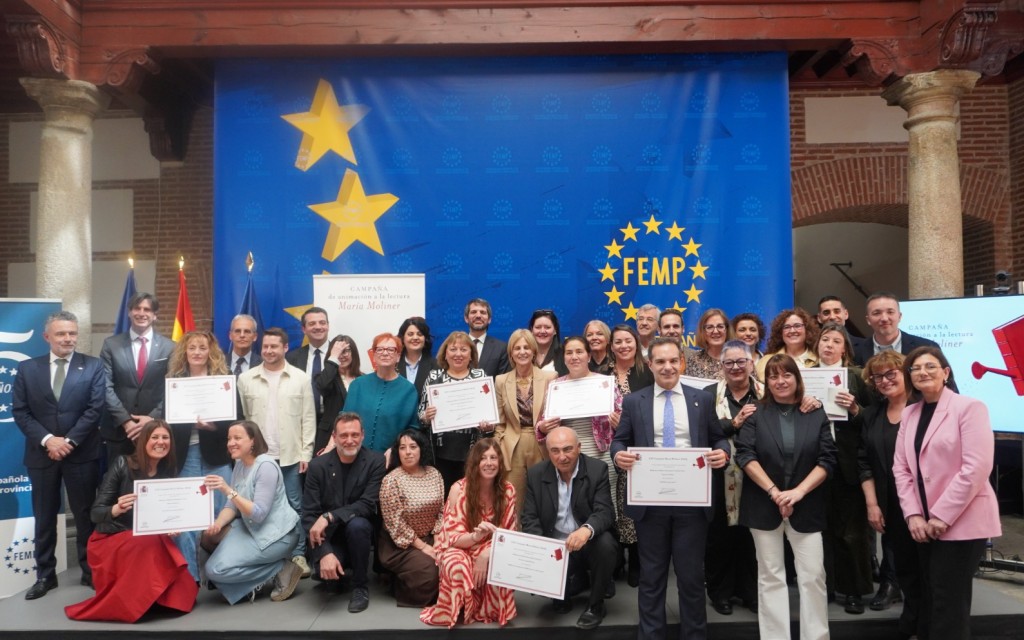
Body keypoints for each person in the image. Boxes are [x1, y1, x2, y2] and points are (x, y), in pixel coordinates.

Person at [611, 336, 730, 640]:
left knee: (691, 578)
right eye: (660, 361)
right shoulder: (634, 401)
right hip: (650, 503)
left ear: (682, 363)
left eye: (673, 360)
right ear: (649, 364)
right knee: (652, 577)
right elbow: (619, 440)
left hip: (692, 502)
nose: (667, 367)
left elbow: (718, 437)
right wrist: (618, 455)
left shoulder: (702, 399)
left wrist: (723, 452)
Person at [893, 346, 1001, 640]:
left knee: (948, 600)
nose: (923, 372)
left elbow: (976, 467)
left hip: (962, 520)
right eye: (915, 368)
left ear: (945, 372)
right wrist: (913, 515)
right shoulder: (910, 413)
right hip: (923, 524)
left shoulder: (970, 407)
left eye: (930, 366)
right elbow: (901, 469)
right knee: (928, 596)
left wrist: (941, 515)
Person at [734, 354, 836, 640]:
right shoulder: (756, 413)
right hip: (763, 504)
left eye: (786, 375)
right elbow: (745, 455)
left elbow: (828, 459)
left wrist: (798, 492)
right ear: (766, 382)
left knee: (813, 576)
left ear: (797, 378)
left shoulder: (815, 412)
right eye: (773, 376)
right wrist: (774, 492)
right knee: (770, 577)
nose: (780, 381)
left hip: (807, 505)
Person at [65, 421, 198, 622]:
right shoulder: (122, 464)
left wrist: (171, 526)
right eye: (155, 437)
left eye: (165, 438)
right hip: (111, 537)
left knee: (166, 550)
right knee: (150, 542)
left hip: (146, 537)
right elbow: (95, 513)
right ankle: (135, 603)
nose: (160, 442)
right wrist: (116, 509)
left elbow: (164, 515)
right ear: (144, 441)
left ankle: (153, 598)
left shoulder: (169, 470)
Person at [13, 310, 105, 598]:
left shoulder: (93, 366)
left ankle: (90, 572)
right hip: (42, 455)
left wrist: (69, 441)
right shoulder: (28, 369)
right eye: (61, 333)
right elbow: (21, 411)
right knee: (44, 516)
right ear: (47, 337)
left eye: (72, 333)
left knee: (85, 515)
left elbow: (95, 409)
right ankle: (45, 575)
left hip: (82, 454)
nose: (68, 338)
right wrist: (49, 440)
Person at [521, 427, 618, 629]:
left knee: (606, 544)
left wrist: (586, 529)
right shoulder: (536, 474)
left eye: (568, 449)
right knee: (559, 602)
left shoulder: (597, 469)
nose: (562, 456)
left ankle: (596, 605)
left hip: (587, 541)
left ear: (579, 447)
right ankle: (565, 586)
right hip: (557, 547)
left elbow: (605, 512)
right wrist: (541, 552)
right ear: (548, 452)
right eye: (555, 451)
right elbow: (529, 518)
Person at [237, 327, 315, 577]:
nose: (269, 350)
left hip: (291, 456)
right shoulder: (246, 379)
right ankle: (267, 556)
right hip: (259, 459)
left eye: (274, 346)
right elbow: (244, 419)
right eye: (265, 346)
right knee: (259, 508)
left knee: (295, 506)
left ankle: (298, 555)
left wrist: (306, 453)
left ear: (285, 348)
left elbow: (308, 418)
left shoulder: (300, 378)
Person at [857, 351, 922, 636]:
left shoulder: (924, 408)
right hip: (887, 498)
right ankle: (897, 594)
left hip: (924, 502)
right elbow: (863, 461)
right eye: (877, 377)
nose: (884, 381)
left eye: (890, 374)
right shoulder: (872, 414)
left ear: (905, 372)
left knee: (925, 567)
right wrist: (872, 504)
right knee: (900, 557)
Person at [420, 438, 517, 628]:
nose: (489, 463)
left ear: (500, 462)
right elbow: (453, 538)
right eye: (483, 458)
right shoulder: (458, 489)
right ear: (475, 463)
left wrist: (485, 554)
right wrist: (476, 537)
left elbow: (508, 535)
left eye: (493, 458)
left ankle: (484, 608)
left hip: (491, 546)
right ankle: (460, 608)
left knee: (499, 561)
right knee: (457, 565)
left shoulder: (508, 490)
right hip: (459, 545)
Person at [201, 420, 302, 604]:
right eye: (229, 438)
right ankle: (250, 577)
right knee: (208, 538)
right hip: (252, 529)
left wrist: (227, 489)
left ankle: (280, 569)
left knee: (215, 570)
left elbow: (259, 513)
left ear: (253, 441)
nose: (231, 443)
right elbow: (231, 506)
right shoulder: (240, 465)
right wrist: (217, 524)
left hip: (278, 536)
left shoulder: (266, 467)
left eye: (237, 438)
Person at [812, 321, 873, 614]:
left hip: (848, 462)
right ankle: (824, 587)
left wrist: (855, 409)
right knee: (819, 531)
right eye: (825, 340)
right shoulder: (805, 377)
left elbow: (874, 419)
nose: (829, 345)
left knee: (852, 531)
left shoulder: (857, 377)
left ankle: (853, 591)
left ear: (845, 349)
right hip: (814, 464)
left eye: (836, 341)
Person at [166, 330, 234, 581]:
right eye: (192, 347)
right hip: (186, 456)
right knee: (189, 516)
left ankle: (222, 574)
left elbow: (237, 422)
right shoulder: (174, 382)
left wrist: (212, 426)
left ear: (210, 351)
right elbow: (166, 421)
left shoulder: (223, 381)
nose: (197, 352)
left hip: (217, 455)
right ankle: (191, 578)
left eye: (202, 348)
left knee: (221, 515)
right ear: (184, 351)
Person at [302, 412, 387, 613]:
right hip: (329, 536)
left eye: (355, 434)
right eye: (344, 435)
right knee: (328, 578)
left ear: (362, 435)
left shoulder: (375, 461)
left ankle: (360, 586)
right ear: (334, 437)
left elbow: (367, 504)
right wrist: (324, 553)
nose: (350, 440)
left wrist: (329, 516)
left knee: (358, 525)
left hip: (358, 531)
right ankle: (334, 568)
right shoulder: (317, 466)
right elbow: (309, 515)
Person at [702, 340, 760, 616]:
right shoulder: (707, 395)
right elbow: (702, 431)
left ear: (751, 363)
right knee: (719, 538)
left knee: (752, 536)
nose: (735, 367)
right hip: (717, 477)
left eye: (741, 362)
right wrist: (733, 424)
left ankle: (751, 592)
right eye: (729, 363)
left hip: (759, 476)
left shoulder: (767, 393)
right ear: (721, 366)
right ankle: (720, 593)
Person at [537, 336, 621, 507]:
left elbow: (623, 416)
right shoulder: (556, 386)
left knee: (605, 503)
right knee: (573, 504)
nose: (574, 357)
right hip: (567, 455)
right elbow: (542, 422)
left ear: (588, 356)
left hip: (601, 452)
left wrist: (620, 423)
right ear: (564, 358)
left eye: (579, 352)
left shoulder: (604, 383)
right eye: (569, 353)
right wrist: (543, 428)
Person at [100, 292, 175, 465]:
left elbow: (172, 388)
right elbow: (105, 386)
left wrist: (151, 419)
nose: (142, 313)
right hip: (119, 431)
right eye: (137, 308)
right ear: (129, 312)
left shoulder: (170, 347)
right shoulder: (111, 345)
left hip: (156, 431)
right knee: (117, 479)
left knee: (153, 478)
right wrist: (126, 421)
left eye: (147, 309)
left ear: (155, 315)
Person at [608, 323, 653, 587]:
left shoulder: (647, 372)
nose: (624, 346)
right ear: (611, 346)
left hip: (639, 448)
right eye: (618, 342)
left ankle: (636, 560)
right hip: (607, 447)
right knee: (613, 504)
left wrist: (626, 423)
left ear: (636, 343)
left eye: (628, 341)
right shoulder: (602, 375)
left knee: (635, 505)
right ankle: (616, 561)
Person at [378, 429, 444, 607]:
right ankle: (399, 586)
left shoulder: (434, 474)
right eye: (402, 448)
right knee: (430, 572)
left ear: (421, 449)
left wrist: (438, 541)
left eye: (413, 447)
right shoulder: (391, 480)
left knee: (452, 561)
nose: (408, 452)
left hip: (432, 537)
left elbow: (441, 511)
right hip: (400, 544)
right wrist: (424, 547)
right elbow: (395, 524)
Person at [419, 330, 491, 492]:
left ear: (471, 355)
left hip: (472, 451)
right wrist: (426, 416)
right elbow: (421, 413)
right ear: (445, 354)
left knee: (470, 496)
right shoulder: (434, 377)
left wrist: (488, 425)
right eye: (453, 349)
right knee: (444, 496)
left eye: (463, 349)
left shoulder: (480, 377)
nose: (458, 354)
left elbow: (489, 414)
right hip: (440, 452)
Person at [494, 328, 556, 512]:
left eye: (527, 347)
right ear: (511, 353)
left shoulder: (550, 377)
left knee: (544, 498)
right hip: (512, 447)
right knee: (514, 502)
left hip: (542, 443)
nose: (522, 352)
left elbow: (555, 416)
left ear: (534, 351)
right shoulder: (501, 381)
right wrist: (499, 447)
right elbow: (500, 423)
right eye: (517, 348)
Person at [342, 332, 419, 454]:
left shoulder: (408, 390)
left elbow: (412, 430)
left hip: (390, 458)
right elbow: (343, 420)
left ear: (398, 356)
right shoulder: (358, 384)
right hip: (354, 454)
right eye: (380, 349)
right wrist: (330, 446)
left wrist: (394, 449)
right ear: (374, 355)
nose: (385, 353)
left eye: (391, 350)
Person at [852, 292, 942, 367]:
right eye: (877, 313)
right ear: (868, 320)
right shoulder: (855, 352)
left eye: (890, 312)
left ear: (899, 316)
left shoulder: (926, 347)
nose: (884, 318)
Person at [315, 334, 359, 454]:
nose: (342, 355)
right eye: (338, 352)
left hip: (355, 436)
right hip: (329, 436)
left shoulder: (363, 379)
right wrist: (333, 357)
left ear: (353, 353)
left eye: (346, 351)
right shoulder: (326, 378)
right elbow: (323, 385)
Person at [286, 306, 331, 426]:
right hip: (301, 422)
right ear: (304, 329)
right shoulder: (291, 358)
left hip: (333, 422)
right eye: (312, 323)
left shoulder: (340, 355)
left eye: (322, 322)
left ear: (328, 326)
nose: (318, 327)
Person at [755, 307, 818, 381]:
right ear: (780, 333)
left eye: (797, 326)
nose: (792, 331)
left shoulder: (819, 359)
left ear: (807, 330)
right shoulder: (766, 361)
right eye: (787, 327)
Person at [464, 298, 509, 377]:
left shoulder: (501, 348)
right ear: (466, 318)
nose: (478, 316)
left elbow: (503, 381)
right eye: (473, 312)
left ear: (489, 319)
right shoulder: (454, 347)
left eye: (483, 312)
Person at [396, 316, 436, 399]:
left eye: (420, 334)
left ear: (425, 339)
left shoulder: (436, 366)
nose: (415, 338)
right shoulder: (393, 365)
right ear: (403, 338)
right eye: (410, 334)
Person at [687, 308, 731, 381]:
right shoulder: (694, 360)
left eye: (720, 326)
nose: (715, 331)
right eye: (710, 327)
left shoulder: (738, 359)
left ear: (727, 329)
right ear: (703, 332)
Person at [529, 308, 568, 375]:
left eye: (547, 327)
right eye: (538, 327)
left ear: (555, 330)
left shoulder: (565, 354)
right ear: (531, 330)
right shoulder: (523, 353)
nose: (542, 331)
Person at [657, 308, 696, 373]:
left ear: (683, 329)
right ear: (659, 330)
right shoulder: (647, 360)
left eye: (676, 326)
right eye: (667, 327)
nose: (671, 331)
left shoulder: (696, 357)